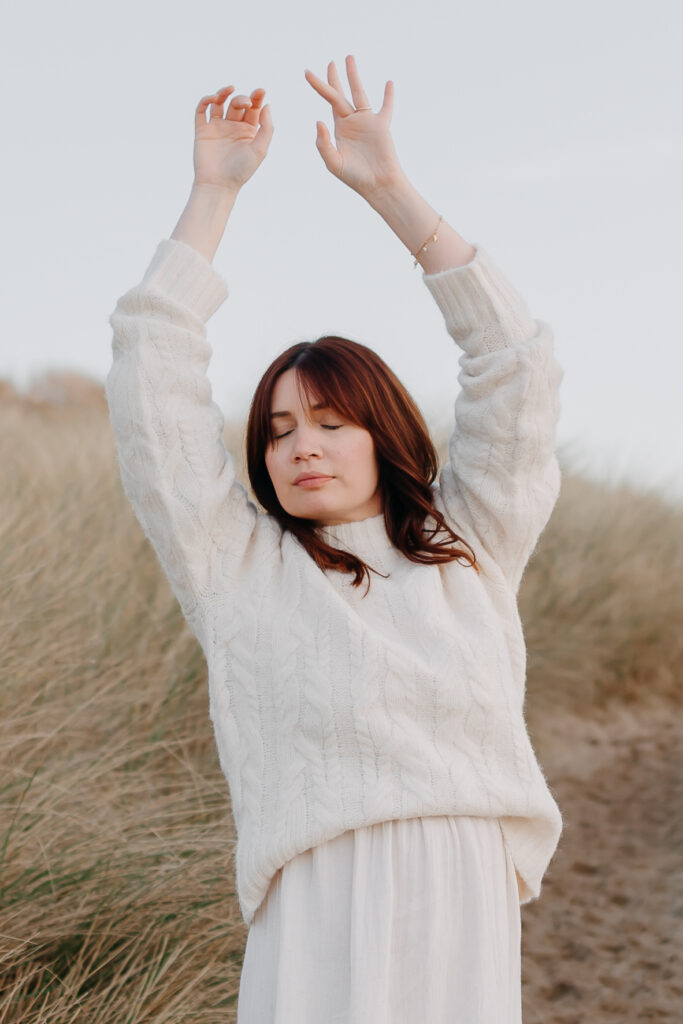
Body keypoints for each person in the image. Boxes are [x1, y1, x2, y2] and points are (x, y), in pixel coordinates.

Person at [105, 54, 564, 1024]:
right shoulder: (236, 567)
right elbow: (154, 374)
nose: (300, 445)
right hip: (316, 894)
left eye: (327, 421)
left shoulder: (465, 544)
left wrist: (392, 192)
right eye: (276, 430)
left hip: (461, 883)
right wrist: (211, 194)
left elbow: (514, 368)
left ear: (381, 431)